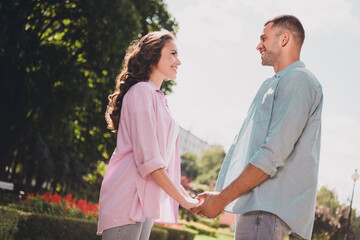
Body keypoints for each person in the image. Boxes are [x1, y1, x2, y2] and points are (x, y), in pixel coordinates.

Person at [191, 15, 323, 240]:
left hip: (266, 211)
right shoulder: (277, 82)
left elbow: (271, 154)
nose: (258, 45)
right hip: (258, 209)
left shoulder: (298, 81)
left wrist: (221, 199)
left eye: (264, 38)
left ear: (284, 39)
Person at [97, 31, 198, 240]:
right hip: (127, 198)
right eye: (172, 53)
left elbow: (163, 164)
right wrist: (186, 202)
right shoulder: (141, 91)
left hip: (145, 203)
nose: (178, 61)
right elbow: (150, 160)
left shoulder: (160, 100)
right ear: (153, 54)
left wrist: (189, 199)